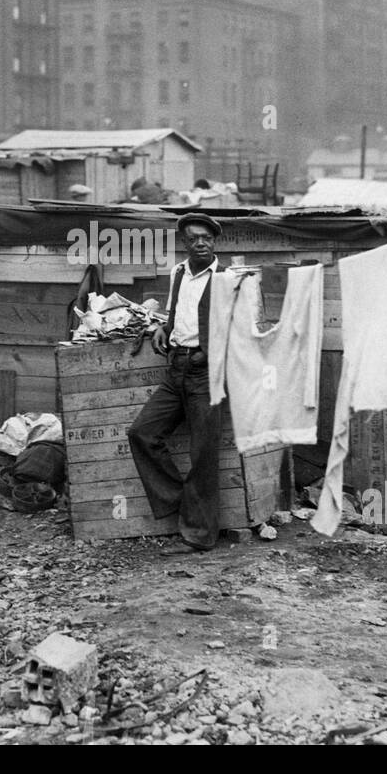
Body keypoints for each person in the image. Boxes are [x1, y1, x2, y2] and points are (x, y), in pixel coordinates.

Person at [127, 213, 224, 555]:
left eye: (206, 238)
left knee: (203, 454)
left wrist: (209, 355)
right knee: (142, 433)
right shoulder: (179, 272)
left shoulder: (226, 278)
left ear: (215, 242)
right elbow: (174, 313)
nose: (200, 243)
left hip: (205, 372)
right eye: (193, 238)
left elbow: (240, 327)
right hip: (176, 368)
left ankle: (201, 535)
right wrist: (161, 329)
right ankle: (183, 502)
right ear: (184, 242)